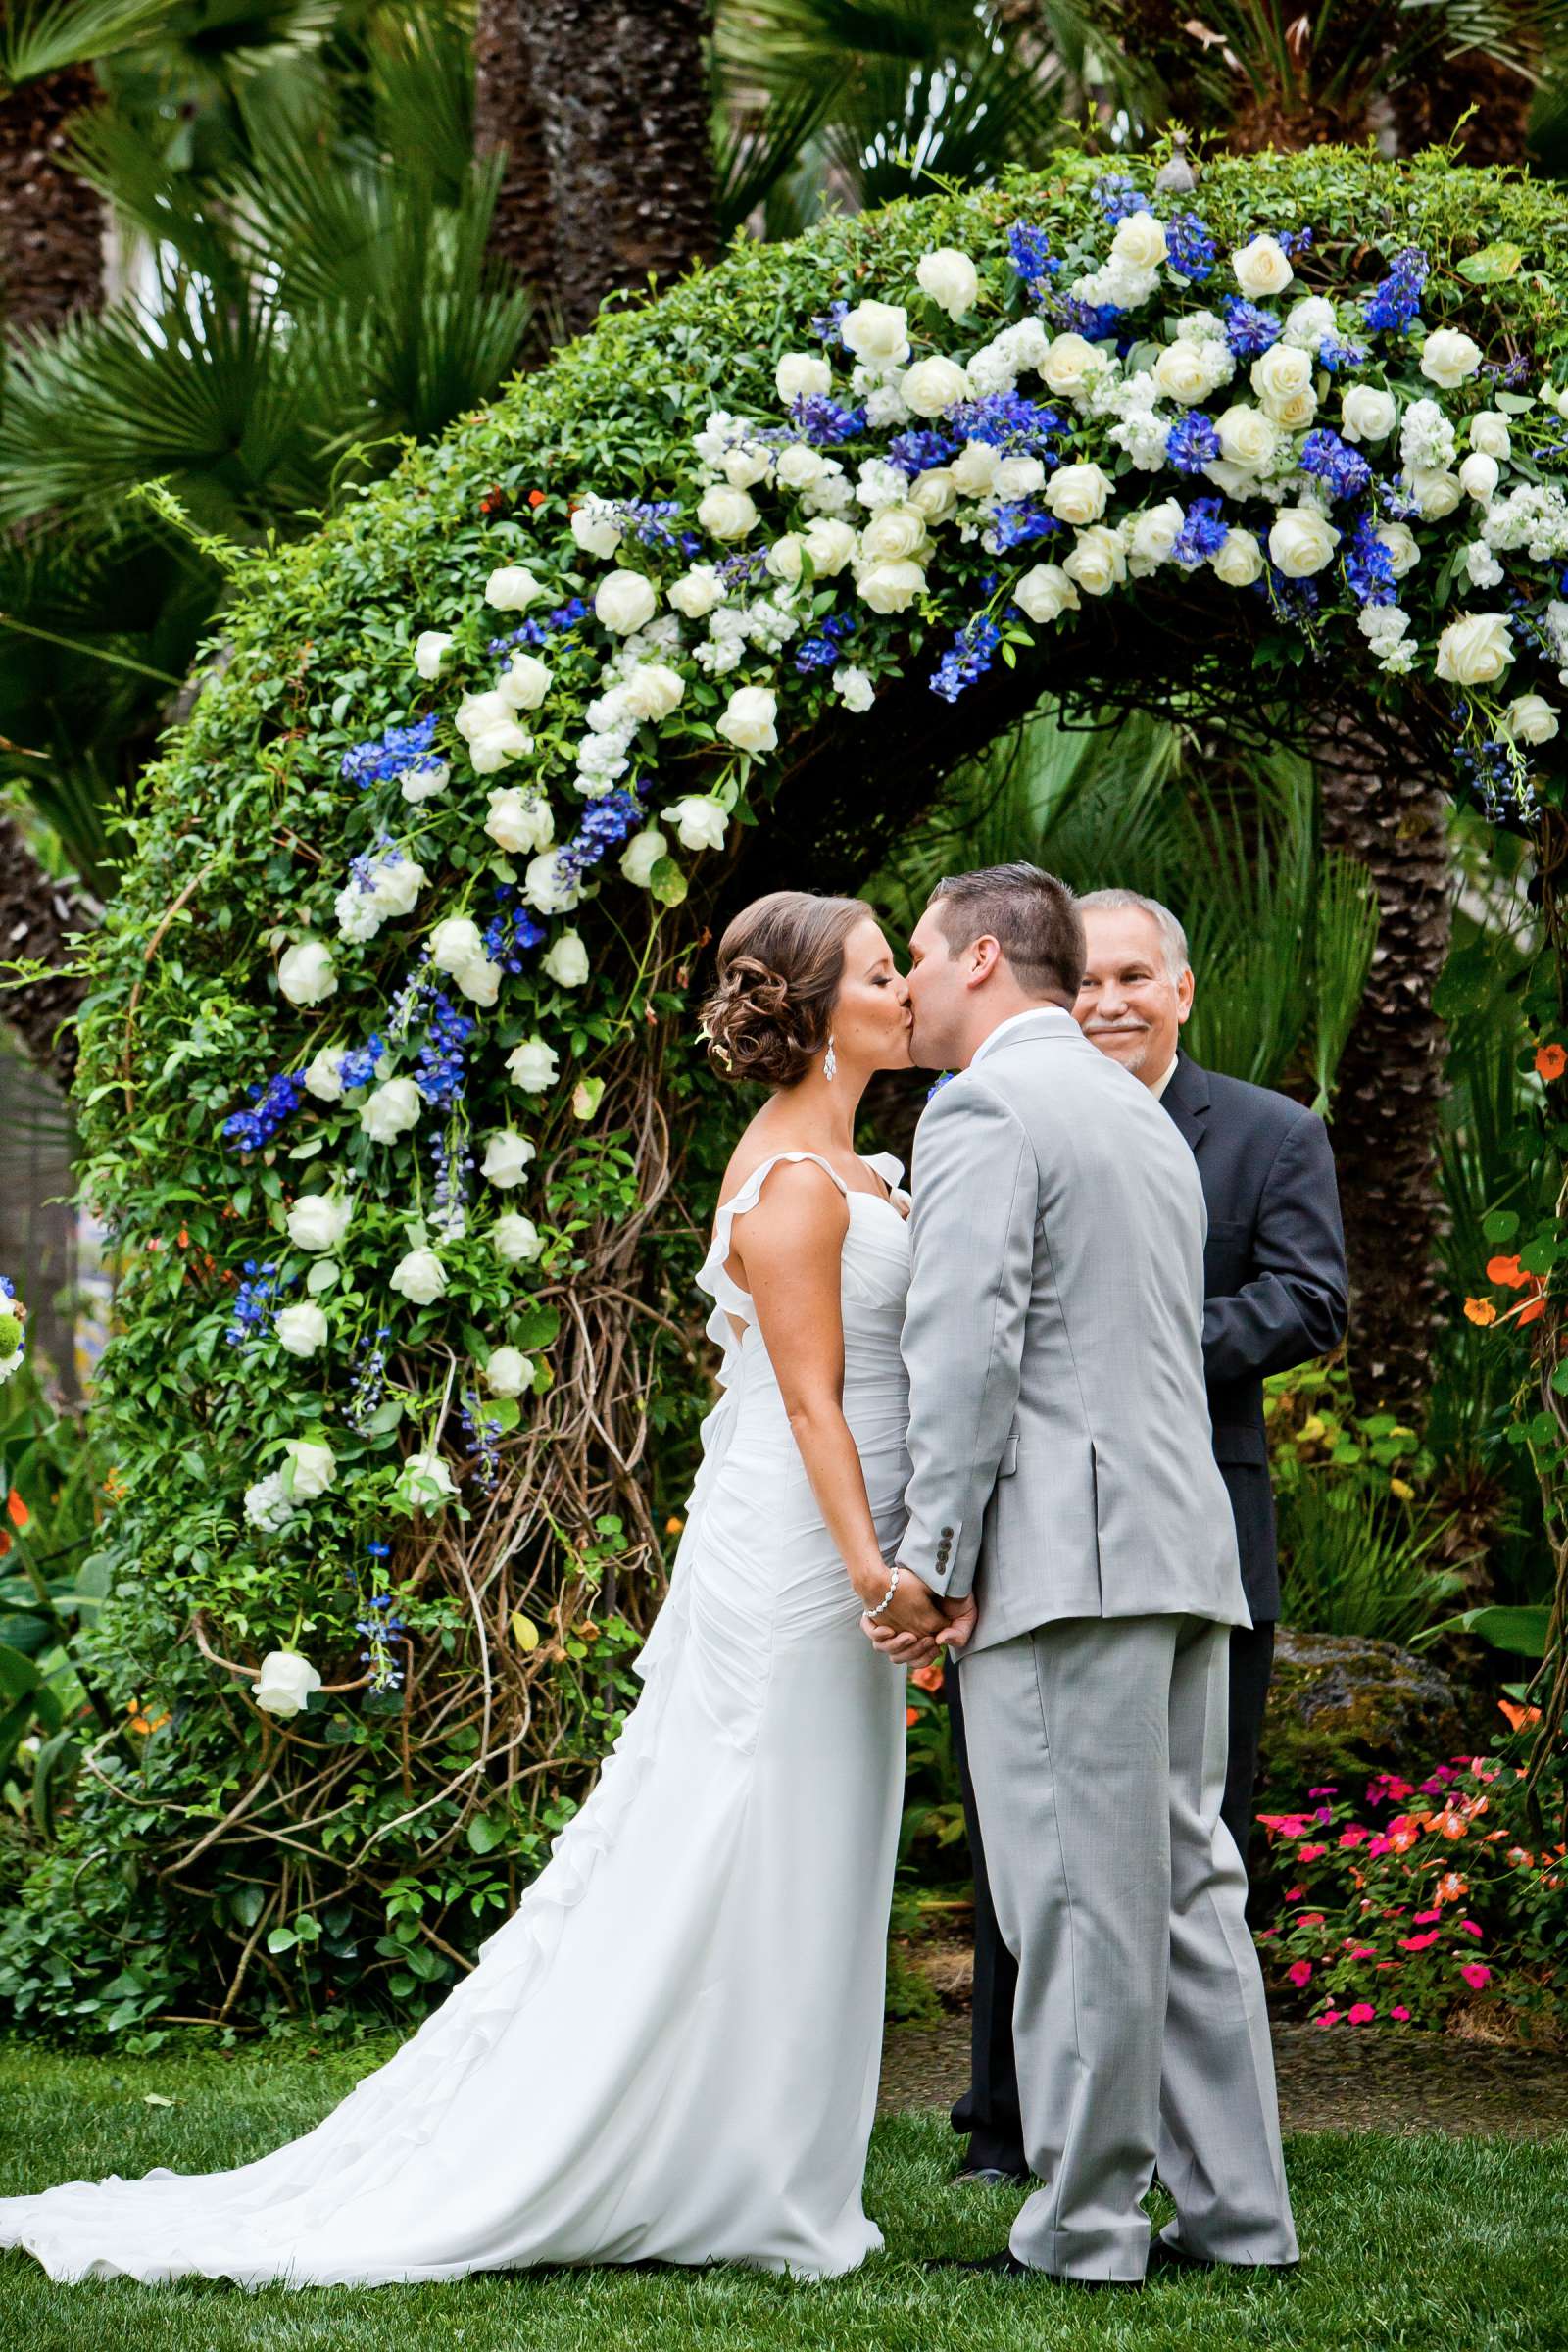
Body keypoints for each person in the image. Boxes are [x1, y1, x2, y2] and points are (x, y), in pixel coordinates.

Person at [0, 889, 946, 2289]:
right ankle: (716, 2163)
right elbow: (813, 1406)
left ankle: (754, 2153)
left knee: (808, 1835)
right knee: (749, 1828)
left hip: (824, 1535)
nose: (910, 992)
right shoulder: (801, 1186)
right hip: (806, 1549)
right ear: (815, 1018)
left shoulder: (863, 1168)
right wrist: (880, 1575)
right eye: (883, 975)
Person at [869, 862, 1298, 2285]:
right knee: (1185, 1890)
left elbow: (971, 1348)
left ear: (984, 958)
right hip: (1181, 1551)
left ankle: (1084, 2227)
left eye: (921, 957)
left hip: (1071, 1560)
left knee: (1074, 1901)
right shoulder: (1133, 1108)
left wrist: (930, 1558)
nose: (911, 984)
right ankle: (1240, 2217)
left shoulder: (985, 1105)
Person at [941, 885, 1348, 2193]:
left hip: (1132, 1535)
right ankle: (1139, 2173)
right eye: (1095, 976)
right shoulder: (1097, 1114)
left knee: (1125, 1883)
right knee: (1116, 1876)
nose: (1110, 1000)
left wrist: (930, 1554)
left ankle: (1099, 2204)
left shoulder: (1014, 1107)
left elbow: (975, 1357)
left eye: (1135, 978)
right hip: (1132, 1537)